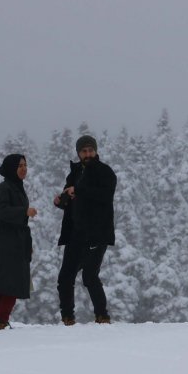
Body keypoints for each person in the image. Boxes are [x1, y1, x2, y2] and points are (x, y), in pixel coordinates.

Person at [54, 135, 117, 325]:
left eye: (91, 150)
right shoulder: (75, 172)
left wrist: (78, 191)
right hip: (76, 233)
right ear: (78, 153)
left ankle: (102, 316)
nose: (88, 154)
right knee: (65, 278)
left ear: (96, 151)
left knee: (90, 276)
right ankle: (67, 318)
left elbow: (105, 196)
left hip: (97, 234)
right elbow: (70, 197)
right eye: (84, 151)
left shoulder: (105, 172)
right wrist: (61, 200)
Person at [0, 154, 37, 330]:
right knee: (9, 286)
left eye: (25, 165)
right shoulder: (4, 189)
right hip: (5, 243)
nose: (24, 168)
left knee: (3, 286)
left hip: (15, 241)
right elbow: (2, 211)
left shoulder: (16, 187)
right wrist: (24, 212)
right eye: (20, 165)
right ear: (11, 168)